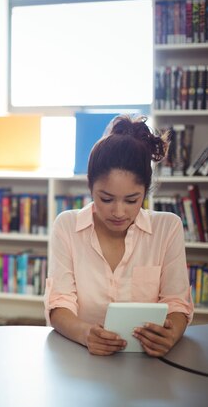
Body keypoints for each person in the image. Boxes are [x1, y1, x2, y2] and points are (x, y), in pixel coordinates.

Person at [44, 114, 194, 357]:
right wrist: (86, 334)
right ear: (89, 186)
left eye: (132, 200)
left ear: (146, 190)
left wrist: (171, 334)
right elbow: (59, 304)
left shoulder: (168, 228)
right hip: (82, 358)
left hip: (149, 362)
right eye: (106, 199)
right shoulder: (67, 226)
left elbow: (176, 303)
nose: (118, 212)